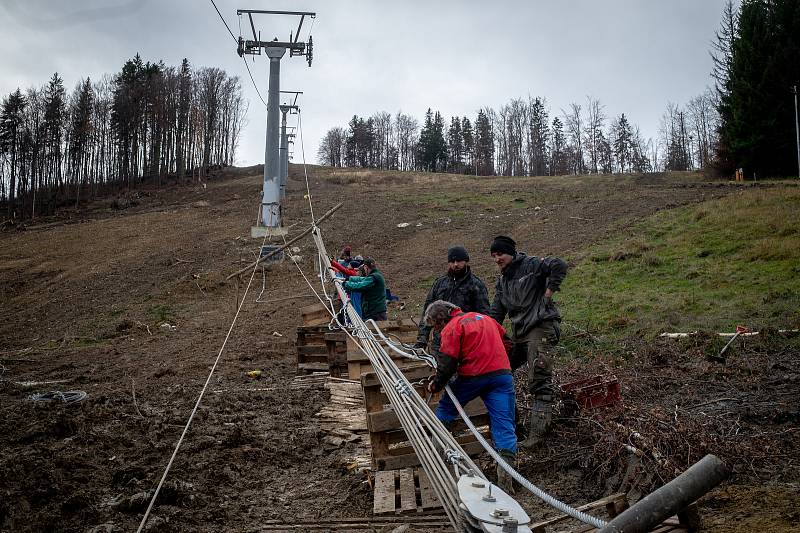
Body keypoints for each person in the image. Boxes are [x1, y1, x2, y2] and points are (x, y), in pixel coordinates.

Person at [424, 300, 516, 493]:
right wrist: (496, 361)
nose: (437, 329)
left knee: (446, 410)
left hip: (472, 377)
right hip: (501, 376)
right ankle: (506, 482)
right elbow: (508, 343)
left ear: (440, 320)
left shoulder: (452, 327)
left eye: (435, 325)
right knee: (504, 425)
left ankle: (436, 460)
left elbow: (448, 363)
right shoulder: (487, 319)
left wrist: (436, 385)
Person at [488, 235, 568, 449]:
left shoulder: (532, 265)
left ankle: (537, 436)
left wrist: (549, 291)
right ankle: (514, 428)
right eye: (494, 255)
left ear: (511, 253)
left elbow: (559, 264)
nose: (497, 259)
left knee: (539, 378)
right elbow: (496, 312)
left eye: (501, 254)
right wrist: (487, 334)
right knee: (499, 372)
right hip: (520, 332)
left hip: (541, 326)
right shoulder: (503, 281)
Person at [415, 246, 491, 367]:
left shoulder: (476, 285)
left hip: (465, 342)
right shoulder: (440, 283)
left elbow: (484, 315)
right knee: (440, 374)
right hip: (440, 342)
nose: (456, 264)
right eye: (452, 261)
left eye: (459, 261)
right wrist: (422, 339)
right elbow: (427, 310)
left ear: (466, 261)